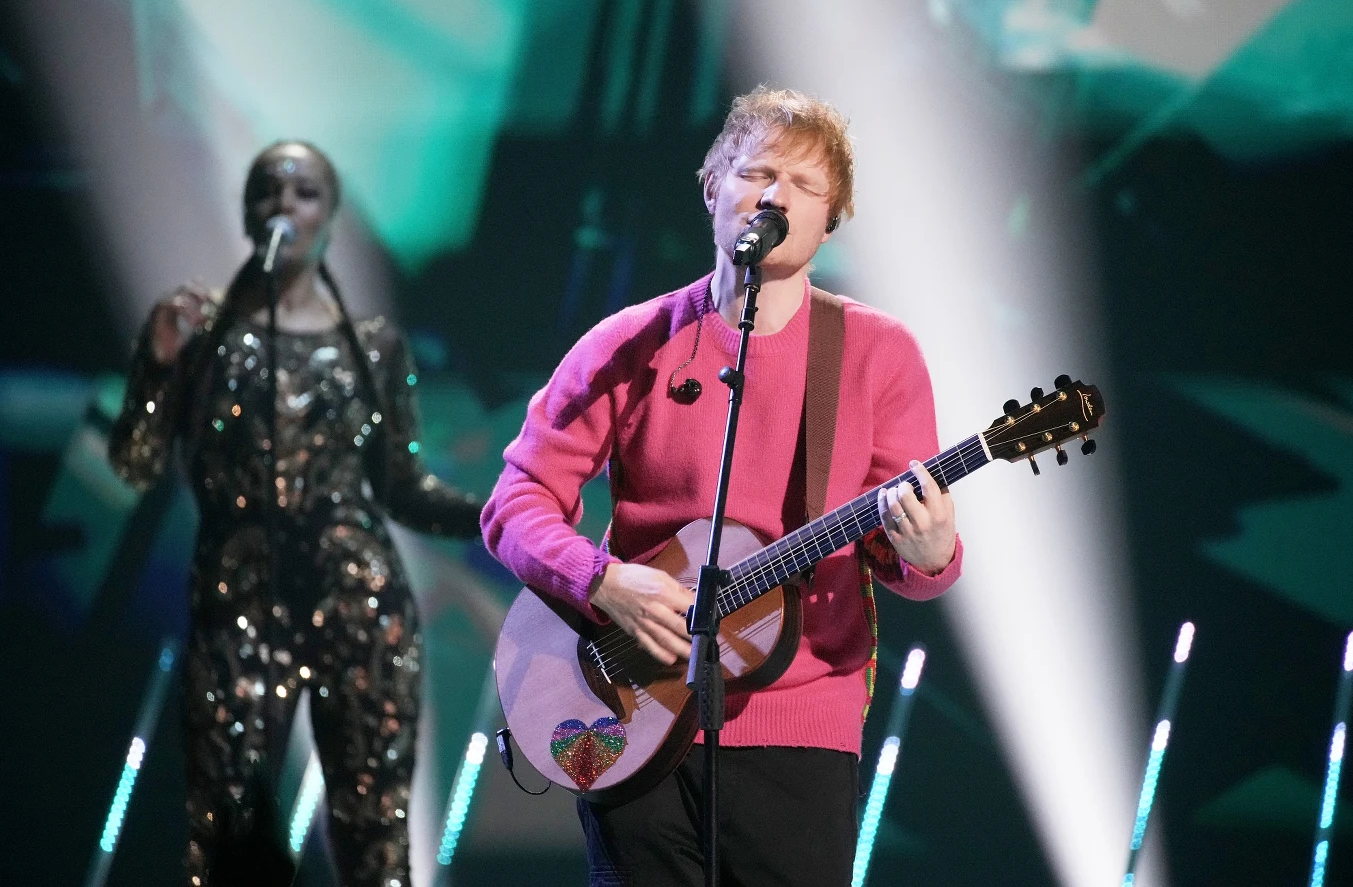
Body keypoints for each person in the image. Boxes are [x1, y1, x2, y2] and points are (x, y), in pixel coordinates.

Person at [481, 87, 964, 885]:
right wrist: (606, 582)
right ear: (714, 190)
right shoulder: (628, 344)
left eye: (805, 185)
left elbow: (904, 559)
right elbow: (515, 502)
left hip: (799, 736)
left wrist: (932, 551)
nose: (775, 196)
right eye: (758, 172)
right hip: (627, 709)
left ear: (831, 217)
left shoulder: (879, 355)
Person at [109, 141, 483, 887]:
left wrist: (506, 513)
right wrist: (157, 362)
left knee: (373, 835)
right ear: (247, 211)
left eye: (304, 191)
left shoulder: (370, 345)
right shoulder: (199, 331)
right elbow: (136, 462)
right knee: (227, 834)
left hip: (359, 607)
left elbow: (404, 488)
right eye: (267, 190)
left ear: (331, 213)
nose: (285, 204)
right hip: (238, 608)